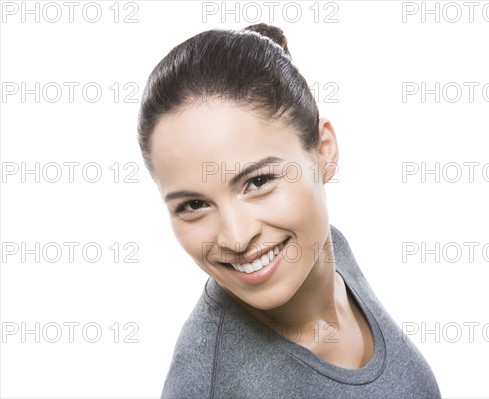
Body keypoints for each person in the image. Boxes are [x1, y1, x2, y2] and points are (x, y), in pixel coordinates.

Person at [137, 23, 440, 398]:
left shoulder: (326, 253)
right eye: (194, 205)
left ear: (324, 150)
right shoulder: (212, 385)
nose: (236, 237)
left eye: (258, 182)